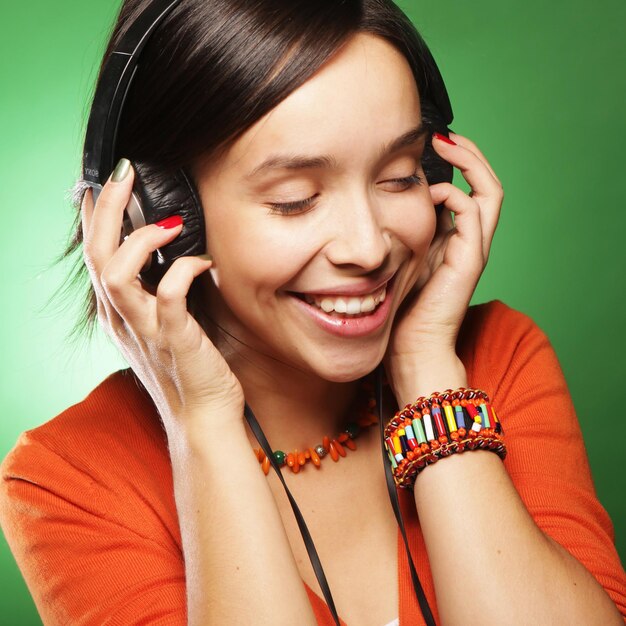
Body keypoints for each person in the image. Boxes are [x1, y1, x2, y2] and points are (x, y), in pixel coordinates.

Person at [1, 0, 625, 624]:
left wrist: (427, 368)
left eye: (401, 176)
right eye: (295, 200)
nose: (370, 247)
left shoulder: (498, 359)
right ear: (162, 215)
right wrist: (204, 428)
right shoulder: (70, 480)